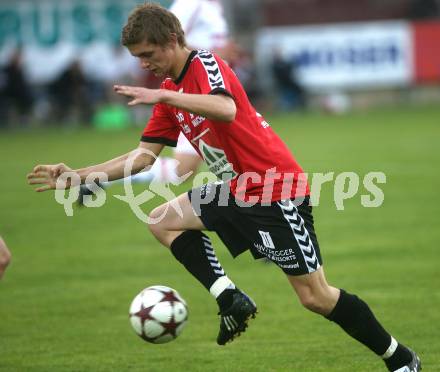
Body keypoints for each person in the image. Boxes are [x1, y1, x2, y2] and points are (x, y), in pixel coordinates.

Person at [27, 4, 421, 371]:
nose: (144, 65)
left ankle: (401, 359)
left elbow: (226, 107)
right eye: (138, 59)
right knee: (162, 220)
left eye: (148, 54)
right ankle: (228, 296)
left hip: (273, 189)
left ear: (171, 41)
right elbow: (144, 158)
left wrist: (166, 93)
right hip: (235, 188)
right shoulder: (170, 94)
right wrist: (80, 175)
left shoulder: (206, 63)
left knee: (315, 297)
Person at [77, 0, 236, 204]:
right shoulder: (191, 3)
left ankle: (101, 177)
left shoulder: (215, 7)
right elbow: (171, 41)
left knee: (185, 170)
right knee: (198, 168)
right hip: (197, 93)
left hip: (212, 91)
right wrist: (215, 54)